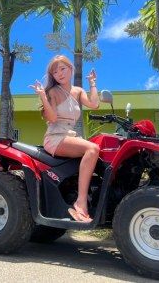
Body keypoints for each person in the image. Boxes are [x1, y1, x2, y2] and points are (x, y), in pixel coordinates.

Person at [30, 55, 100, 223]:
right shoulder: (53, 92)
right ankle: (81, 202)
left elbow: (94, 104)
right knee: (92, 149)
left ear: (70, 69)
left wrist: (92, 83)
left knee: (100, 150)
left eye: (62, 69)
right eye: (55, 71)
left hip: (69, 136)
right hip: (55, 137)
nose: (59, 73)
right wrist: (42, 96)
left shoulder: (78, 91)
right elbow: (53, 118)